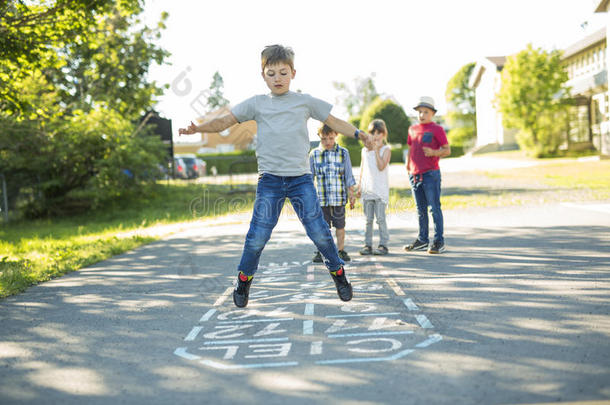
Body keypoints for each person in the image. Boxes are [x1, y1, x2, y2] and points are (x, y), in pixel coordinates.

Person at [178, 44, 371, 307]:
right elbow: (225, 121)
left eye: (283, 73)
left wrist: (360, 134)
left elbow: (335, 121)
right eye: (271, 73)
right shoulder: (257, 104)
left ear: (293, 73)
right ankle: (244, 280)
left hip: (300, 179)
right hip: (270, 180)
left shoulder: (304, 101)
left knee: (320, 233)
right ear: (263, 75)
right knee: (257, 235)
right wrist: (197, 128)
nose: (277, 78)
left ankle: (338, 273)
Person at [403, 96, 451, 254]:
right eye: (420, 112)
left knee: (434, 208)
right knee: (420, 210)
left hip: (431, 174)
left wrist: (434, 152)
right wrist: (408, 165)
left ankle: (439, 241)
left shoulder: (437, 129)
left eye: (425, 112)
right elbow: (410, 148)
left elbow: (447, 149)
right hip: (415, 175)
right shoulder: (412, 129)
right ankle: (422, 240)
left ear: (432, 113)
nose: (422, 115)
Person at [309, 124, 357, 264]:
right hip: (321, 199)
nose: (328, 142)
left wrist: (351, 194)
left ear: (336, 135)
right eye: (324, 139)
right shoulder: (314, 154)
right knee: (322, 227)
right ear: (319, 137)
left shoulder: (343, 153)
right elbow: (310, 178)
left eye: (330, 138)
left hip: (339, 197)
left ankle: (340, 251)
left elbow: (348, 176)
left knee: (340, 225)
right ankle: (321, 251)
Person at [357, 119, 391, 256]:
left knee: (381, 219)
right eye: (373, 133)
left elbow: (381, 166)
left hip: (380, 191)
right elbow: (362, 169)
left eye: (379, 133)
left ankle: (383, 244)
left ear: (383, 134)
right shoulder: (364, 151)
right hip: (367, 191)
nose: (376, 136)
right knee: (368, 220)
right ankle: (367, 245)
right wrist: (359, 187)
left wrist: (377, 150)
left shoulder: (386, 149)